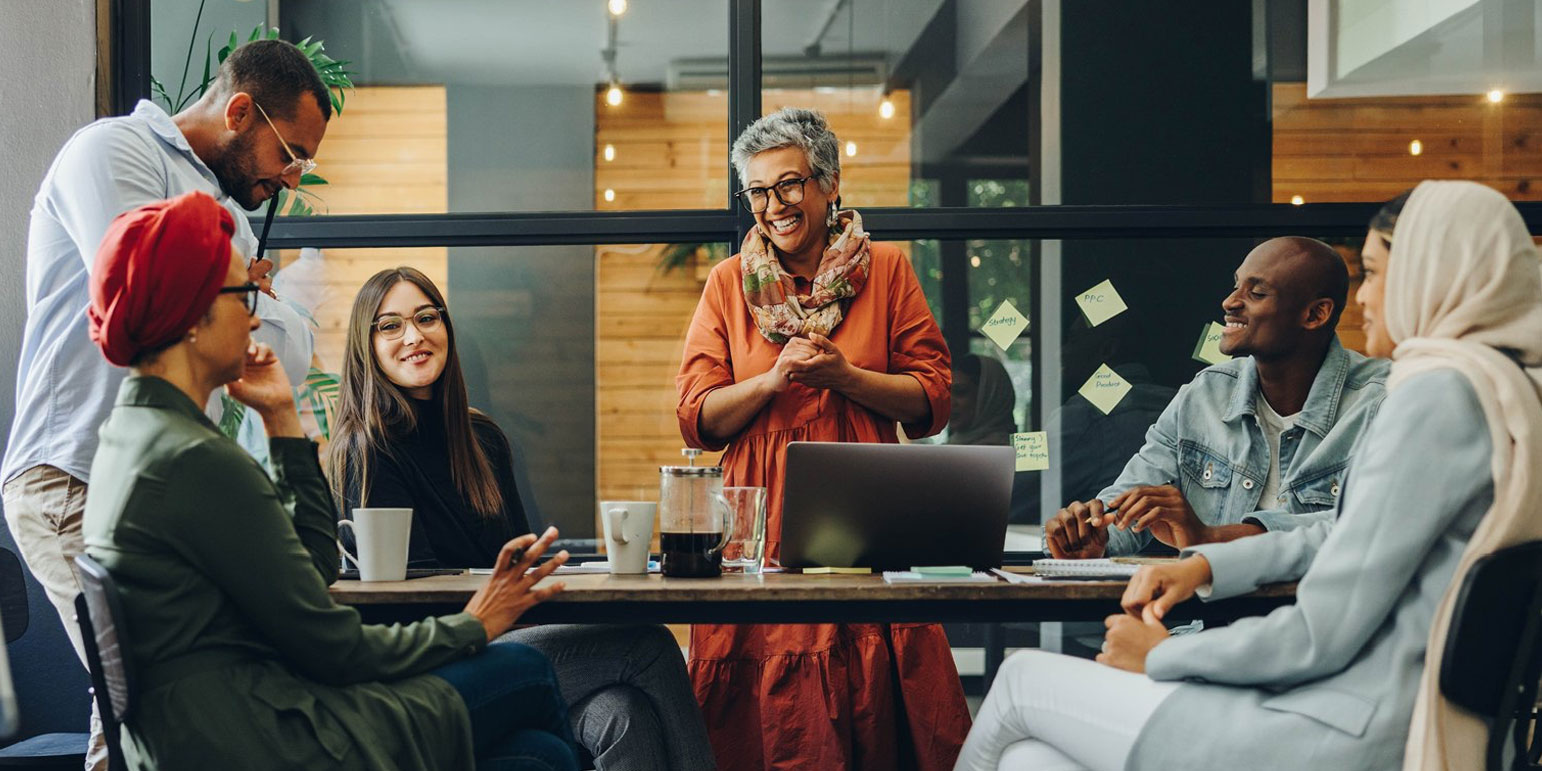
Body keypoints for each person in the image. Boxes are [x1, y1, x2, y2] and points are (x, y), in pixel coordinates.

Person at [957, 181, 1542, 771]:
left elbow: (1322, 631)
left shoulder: (1431, 396)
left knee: (1020, 681)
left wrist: (1163, 655)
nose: (1364, 299)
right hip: (1371, 705)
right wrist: (1207, 563)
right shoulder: (1508, 393)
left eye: (1374, 273)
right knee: (1030, 761)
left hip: (1341, 722)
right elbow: (1344, 530)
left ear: (1433, 274)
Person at [81, 191, 579, 770]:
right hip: (266, 738)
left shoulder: (133, 437)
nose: (254, 314)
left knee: (533, 756)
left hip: (215, 729)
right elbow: (334, 647)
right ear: (193, 316)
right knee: (526, 671)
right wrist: (474, 624)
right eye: (245, 294)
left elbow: (313, 570)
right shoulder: (193, 461)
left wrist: (282, 419)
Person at [2, 39, 324, 768]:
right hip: (74, 476)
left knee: (151, 698)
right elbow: (153, 297)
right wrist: (245, 296)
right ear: (241, 110)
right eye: (290, 152)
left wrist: (240, 301)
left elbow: (291, 352)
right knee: (146, 687)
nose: (296, 177)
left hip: (161, 497)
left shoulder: (226, 216)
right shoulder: (112, 153)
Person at [328, 266, 717, 770]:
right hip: (434, 660)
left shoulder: (482, 439)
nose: (414, 336)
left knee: (623, 711)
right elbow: (407, 605)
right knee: (648, 644)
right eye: (390, 325)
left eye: (427, 318)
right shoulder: (367, 448)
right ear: (368, 345)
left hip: (504, 638)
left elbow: (517, 573)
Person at [677, 107, 965, 771]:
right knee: (764, 717)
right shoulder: (727, 285)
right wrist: (770, 382)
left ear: (829, 183)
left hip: (867, 508)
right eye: (758, 191)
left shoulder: (888, 270)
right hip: (757, 523)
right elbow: (695, 415)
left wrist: (847, 376)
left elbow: (933, 399)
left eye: (789, 185)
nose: (773, 206)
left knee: (877, 696)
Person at [1043, 237, 1388, 559]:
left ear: (1315, 315)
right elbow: (1129, 503)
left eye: (1257, 293)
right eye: (1236, 285)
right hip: (1205, 622)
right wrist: (1093, 534)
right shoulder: (1203, 395)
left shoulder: (1382, 403)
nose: (1230, 302)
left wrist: (1211, 537)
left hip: (1319, 621)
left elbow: (1370, 528)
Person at [947, 354, 1017, 445]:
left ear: (989, 397)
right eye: (946, 394)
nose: (949, 403)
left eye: (960, 392)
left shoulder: (1009, 454)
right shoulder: (950, 447)